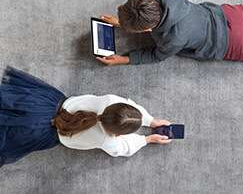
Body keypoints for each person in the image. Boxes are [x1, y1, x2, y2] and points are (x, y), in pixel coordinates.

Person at [0, 66, 171, 167]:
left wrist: (151, 120)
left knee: (8, 101)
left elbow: (130, 106)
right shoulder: (108, 141)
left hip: (47, 103)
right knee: (9, 133)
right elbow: (123, 149)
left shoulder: (110, 100)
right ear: (118, 134)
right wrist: (146, 140)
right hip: (43, 132)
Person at [97, 0, 243, 65]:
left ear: (149, 29)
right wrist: (123, 22)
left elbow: (156, 56)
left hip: (230, 43)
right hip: (231, 14)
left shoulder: (172, 39)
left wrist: (124, 59)